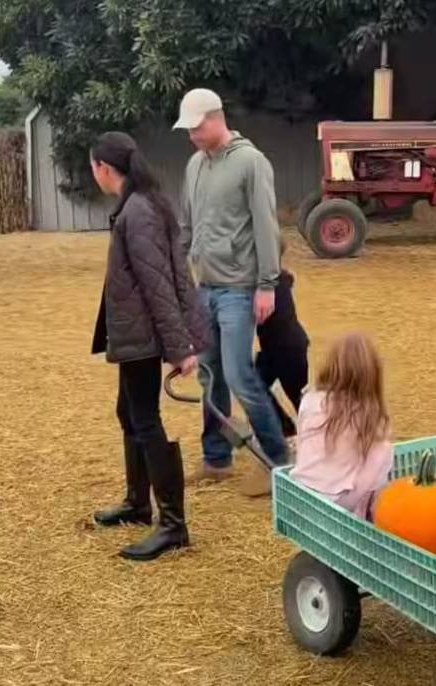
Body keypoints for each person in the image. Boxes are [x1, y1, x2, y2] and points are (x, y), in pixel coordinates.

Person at [88, 131, 206, 562]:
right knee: (129, 412)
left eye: (92, 166)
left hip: (144, 336)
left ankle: (173, 525)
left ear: (103, 167)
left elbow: (162, 286)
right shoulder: (142, 204)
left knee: (145, 418)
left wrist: (180, 346)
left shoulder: (138, 212)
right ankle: (137, 502)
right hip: (136, 333)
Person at [173, 87, 290, 497]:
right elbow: (186, 224)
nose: (191, 136)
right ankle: (216, 459)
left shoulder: (250, 162)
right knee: (210, 376)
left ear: (214, 118)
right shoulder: (194, 165)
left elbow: (265, 225)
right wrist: (178, 273)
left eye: (195, 128)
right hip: (205, 288)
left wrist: (266, 285)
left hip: (240, 289)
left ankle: (279, 464)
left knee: (240, 375)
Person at [289, 333, 394, 520]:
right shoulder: (372, 417)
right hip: (339, 505)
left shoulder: (310, 399)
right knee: (383, 455)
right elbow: (369, 480)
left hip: (299, 495)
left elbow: (303, 445)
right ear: (373, 373)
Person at [254, 239, 309, 442]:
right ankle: (285, 428)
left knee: (300, 400)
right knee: (252, 384)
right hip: (275, 349)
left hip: (287, 350)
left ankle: (312, 437)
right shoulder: (279, 277)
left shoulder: (270, 283)